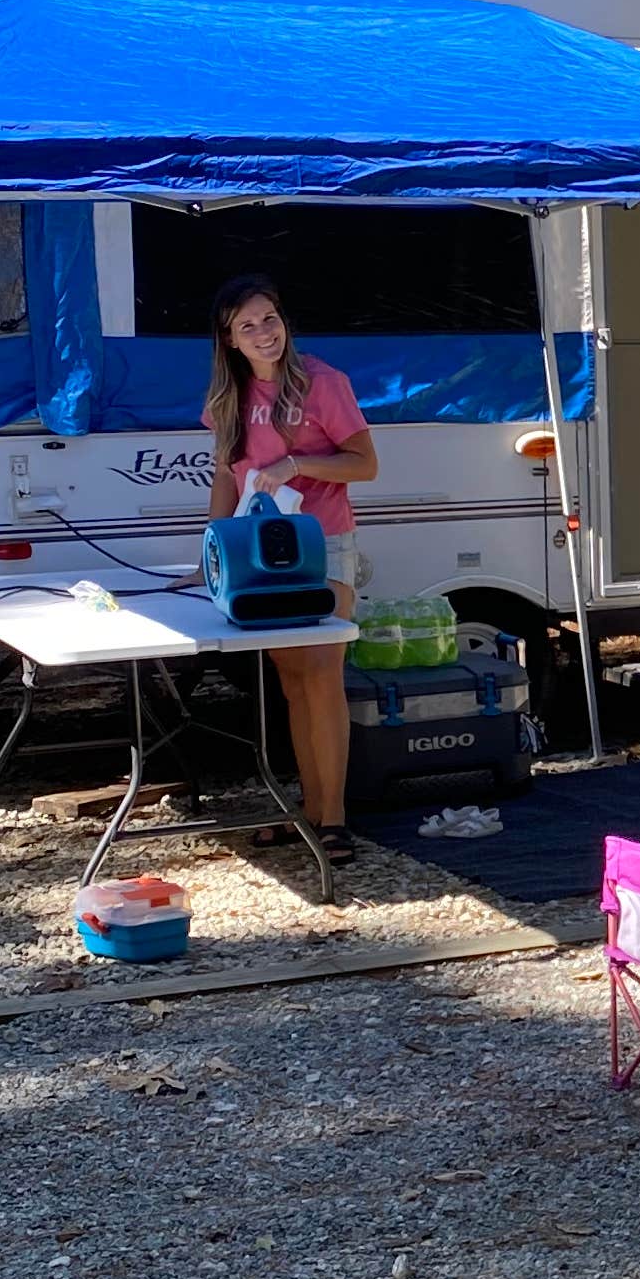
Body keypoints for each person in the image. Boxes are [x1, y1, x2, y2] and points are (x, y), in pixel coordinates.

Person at [205, 275, 378, 852]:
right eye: (247, 326)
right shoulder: (228, 397)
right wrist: (212, 550)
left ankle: (334, 821)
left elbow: (363, 465)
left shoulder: (323, 383)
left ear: (285, 322)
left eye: (270, 320)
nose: (263, 334)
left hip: (322, 545)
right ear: (229, 339)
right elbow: (225, 478)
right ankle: (308, 807)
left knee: (324, 676)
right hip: (257, 556)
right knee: (294, 682)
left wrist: (296, 465)